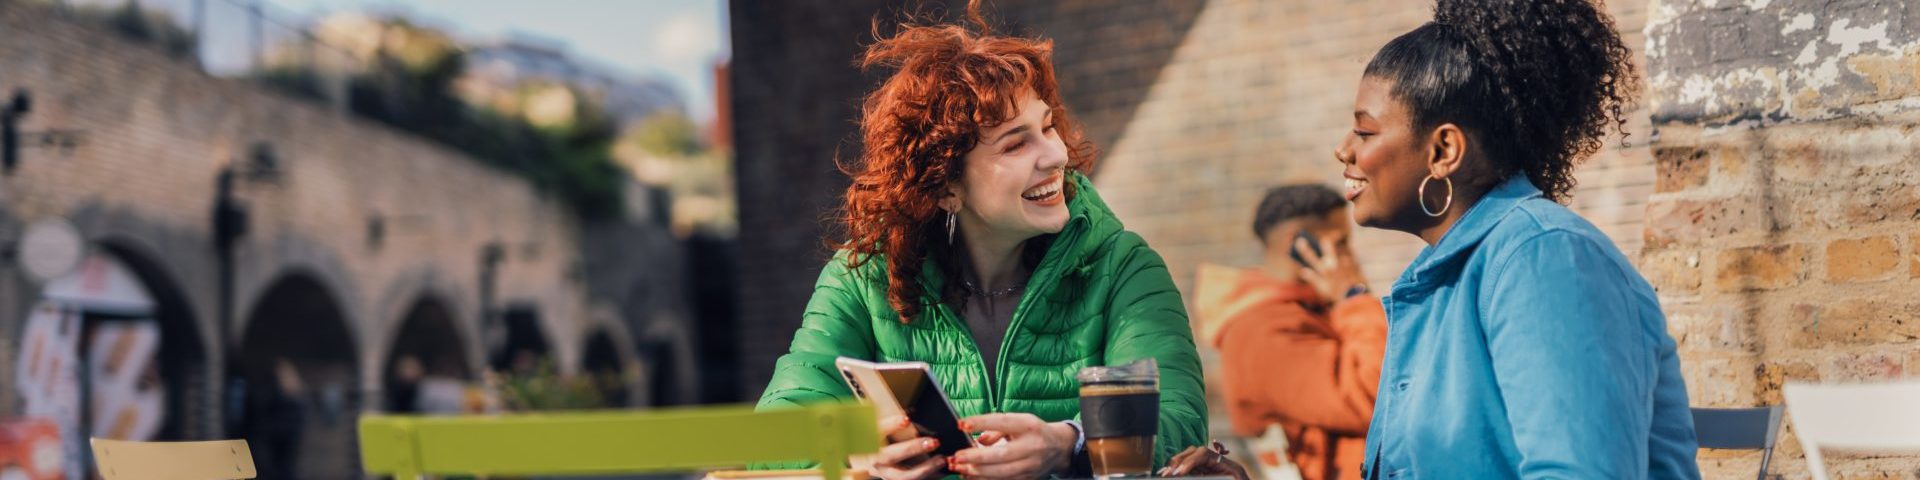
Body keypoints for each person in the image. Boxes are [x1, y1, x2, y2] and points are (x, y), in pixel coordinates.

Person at [754, 5, 1208, 479]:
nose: (1055, 155)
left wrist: (1067, 443)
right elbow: (775, 437)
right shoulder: (864, 278)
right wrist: (858, 458)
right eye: (1015, 144)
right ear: (945, 187)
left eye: (1047, 126)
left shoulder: (1125, 268)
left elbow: (1181, 422)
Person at [1335, 0, 1697, 477]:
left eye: (1364, 131)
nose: (1344, 149)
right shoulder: (1448, 280)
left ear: (1444, 150)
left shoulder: (1546, 259)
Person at [1186, 184, 1386, 480]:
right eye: (1340, 243)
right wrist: (1355, 297)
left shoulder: (1310, 310)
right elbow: (1378, 399)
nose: (1349, 256)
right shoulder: (1261, 330)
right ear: (1297, 243)